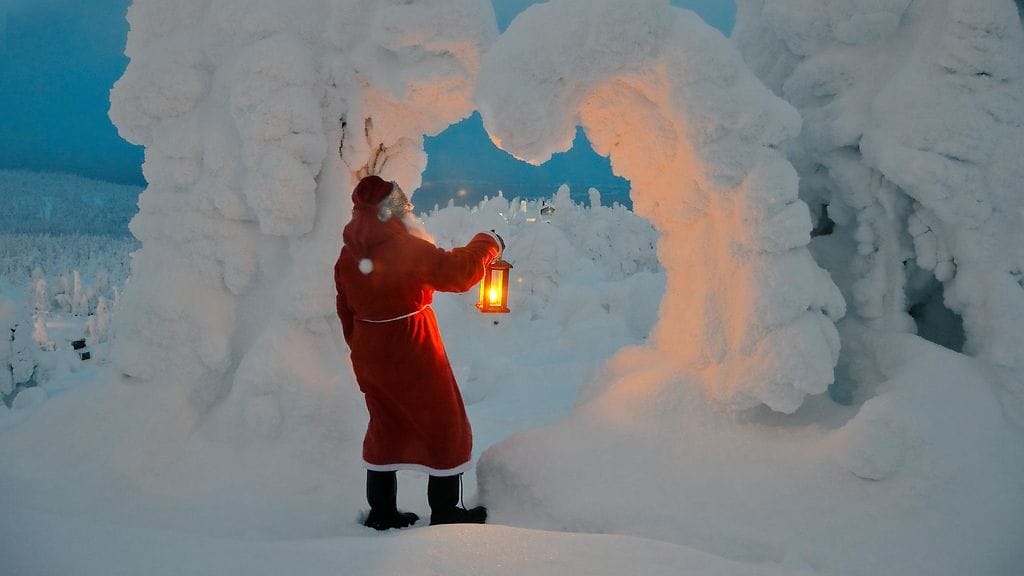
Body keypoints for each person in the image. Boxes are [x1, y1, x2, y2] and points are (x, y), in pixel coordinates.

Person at [334, 175, 504, 530]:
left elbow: (345, 309)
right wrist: (487, 244)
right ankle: (445, 511)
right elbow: (458, 274)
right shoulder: (404, 248)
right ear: (393, 210)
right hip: (413, 348)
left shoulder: (349, 254)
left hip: (369, 349)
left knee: (386, 423)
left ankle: (382, 512)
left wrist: (362, 347)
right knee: (444, 424)